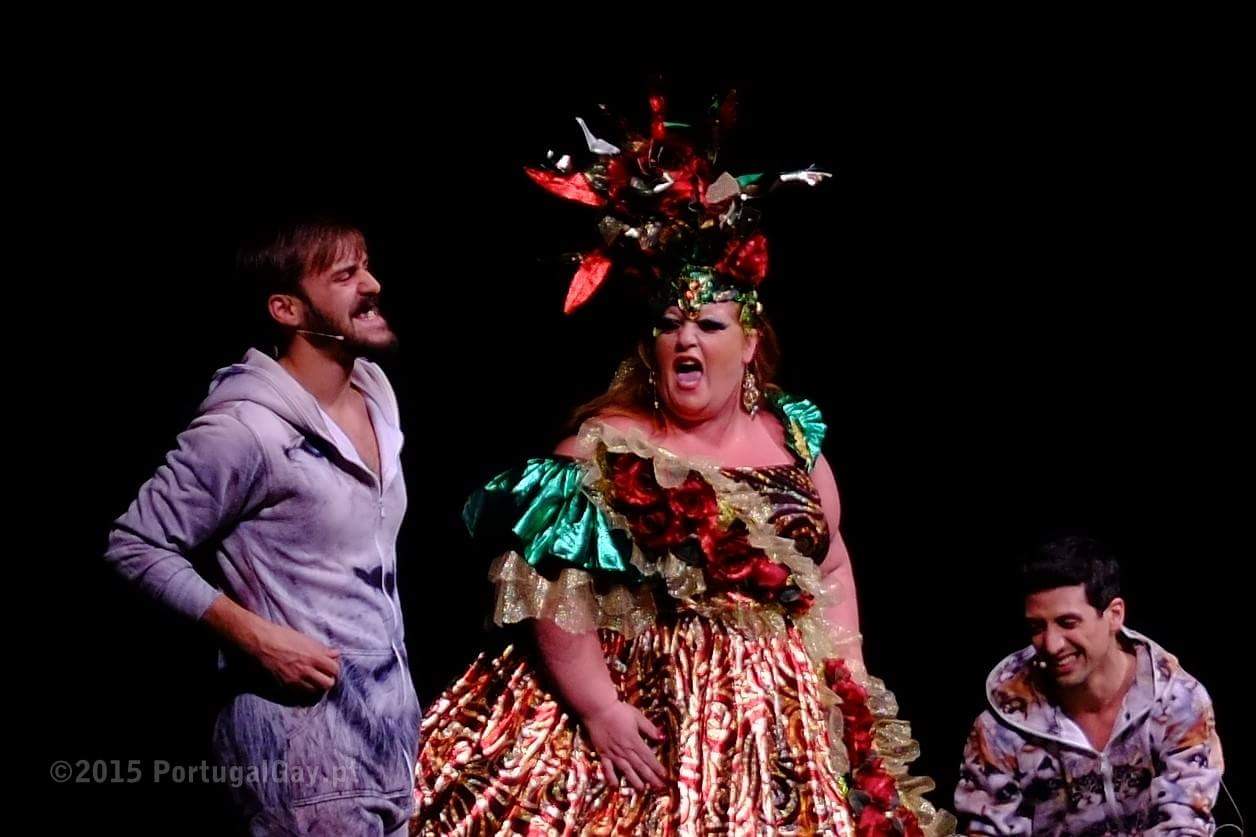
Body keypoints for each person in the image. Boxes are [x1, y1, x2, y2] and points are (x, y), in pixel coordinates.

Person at [411, 96, 955, 836]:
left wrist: (848, 677)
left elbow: (831, 565)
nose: (685, 340)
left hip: (785, 720)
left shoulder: (792, 438)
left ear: (749, 343)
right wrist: (599, 708)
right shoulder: (605, 448)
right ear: (651, 348)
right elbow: (553, 591)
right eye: (669, 326)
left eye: (708, 324)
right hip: (658, 717)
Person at [105, 219, 421, 835]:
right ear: (286, 309)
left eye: (366, 266)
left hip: (388, 738)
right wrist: (256, 638)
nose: (372, 284)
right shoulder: (246, 428)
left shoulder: (376, 397)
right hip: (301, 749)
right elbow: (135, 544)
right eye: (346, 275)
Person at [955, 536, 1224, 835]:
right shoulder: (999, 728)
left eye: (1068, 623)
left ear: (1114, 615)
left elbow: (1185, 824)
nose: (1052, 645)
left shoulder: (1178, 701)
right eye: (1037, 627)